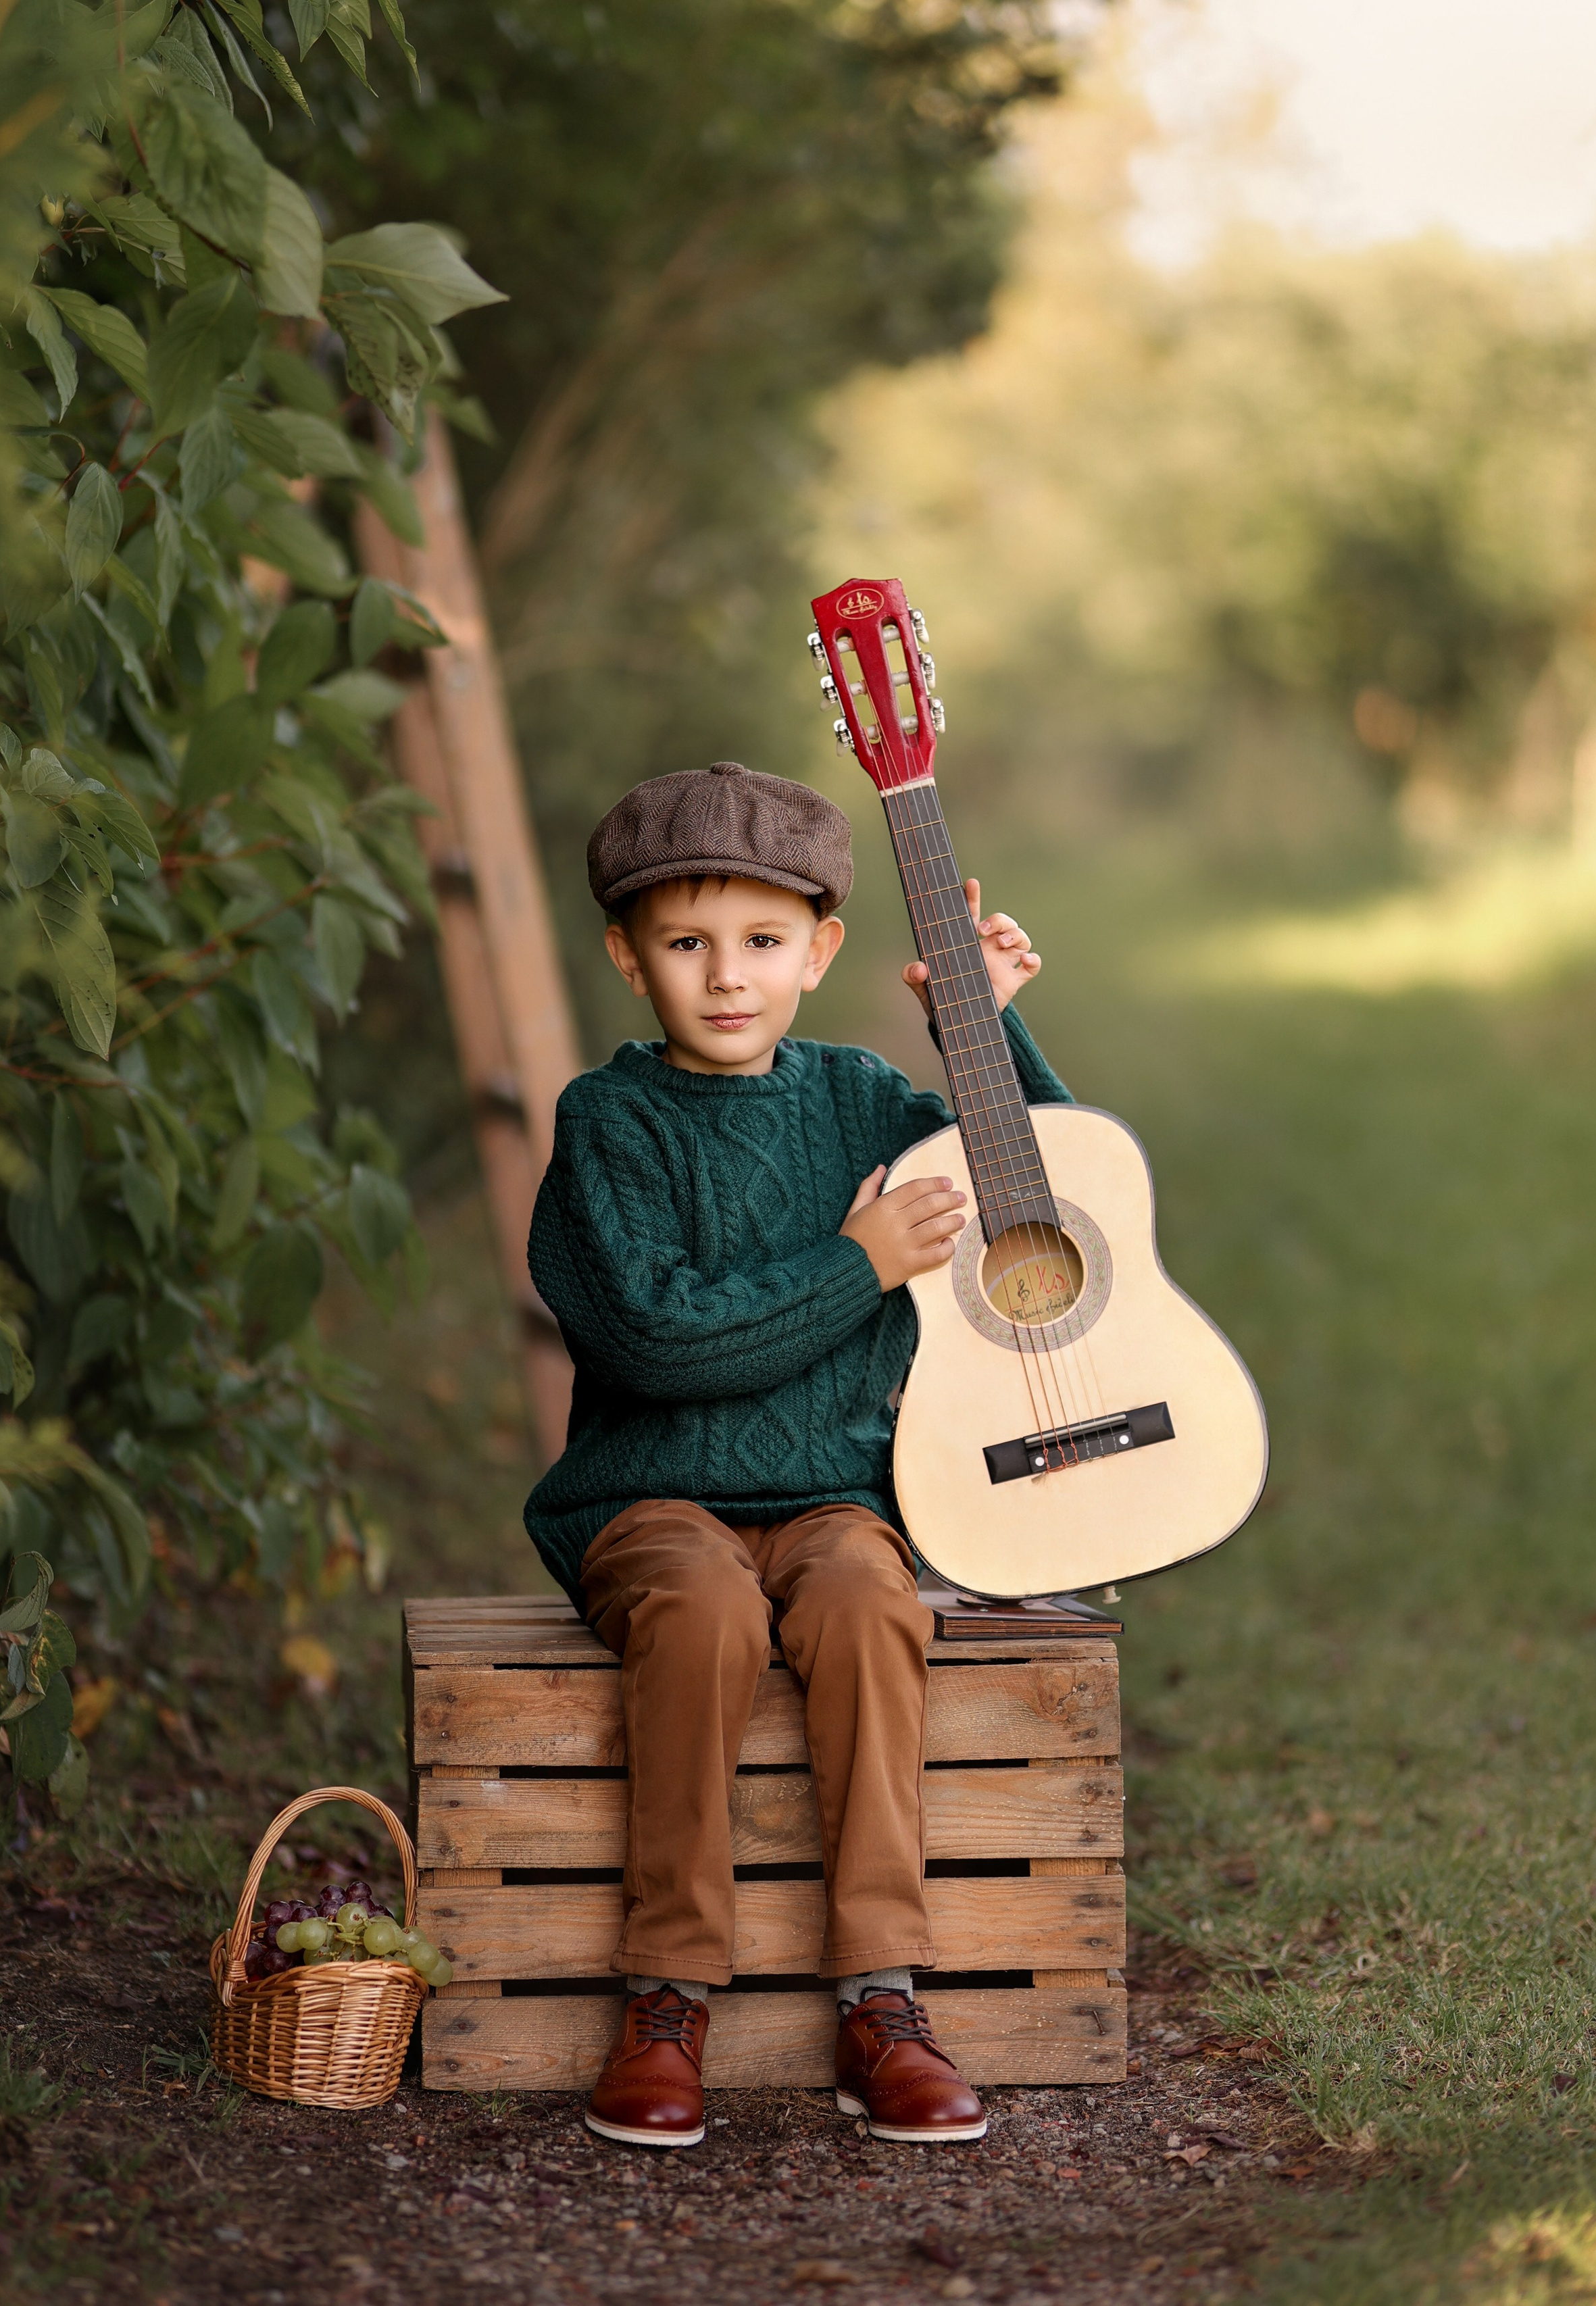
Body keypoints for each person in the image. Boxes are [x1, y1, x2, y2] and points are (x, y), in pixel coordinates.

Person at [524, 759, 1070, 2149]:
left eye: (763, 940)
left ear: (819, 953)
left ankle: (880, 1995)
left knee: (871, 1601)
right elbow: (657, 1343)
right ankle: (666, 1997)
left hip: (834, 1495)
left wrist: (981, 1031)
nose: (727, 976)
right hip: (651, 1501)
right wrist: (855, 1265)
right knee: (705, 1610)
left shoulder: (861, 1098)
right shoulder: (608, 1123)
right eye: (686, 944)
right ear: (626, 957)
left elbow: (1044, 1192)